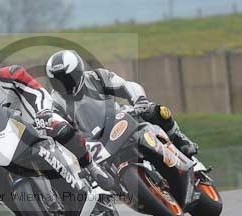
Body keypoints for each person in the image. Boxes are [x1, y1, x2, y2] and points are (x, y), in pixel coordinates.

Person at [0, 42, 115, 212]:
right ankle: (20, 210)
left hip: (35, 124)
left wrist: (43, 112)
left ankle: (91, 167)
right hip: (1, 142)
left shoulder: (12, 74)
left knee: (60, 128)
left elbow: (36, 92)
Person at [45, 49, 198, 156]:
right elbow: (59, 127)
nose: (63, 84)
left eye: (66, 78)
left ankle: (180, 139)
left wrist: (139, 100)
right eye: (57, 81)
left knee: (156, 111)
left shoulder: (97, 77)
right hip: (93, 144)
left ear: (78, 71)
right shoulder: (55, 103)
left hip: (120, 119)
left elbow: (126, 86)